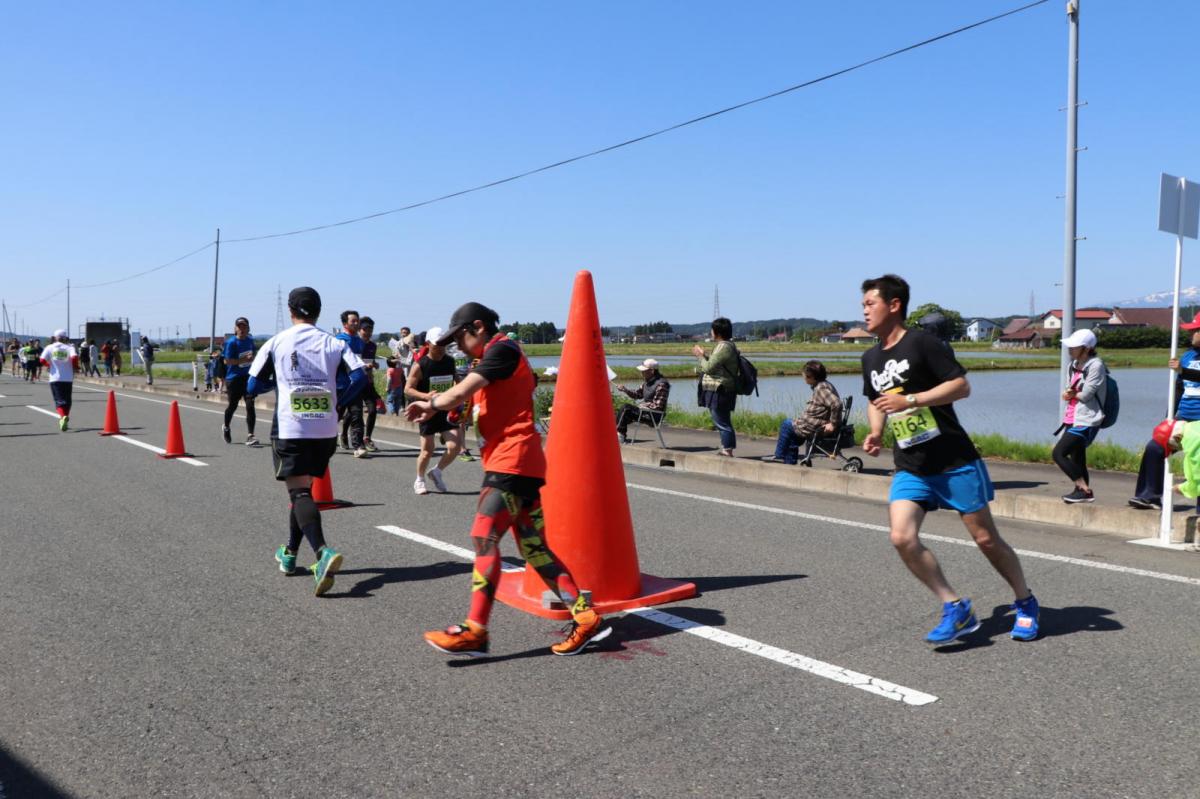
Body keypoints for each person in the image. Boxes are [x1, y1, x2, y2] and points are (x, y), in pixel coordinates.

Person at [407, 302, 611, 656]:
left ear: (478, 327)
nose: (457, 346)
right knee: (534, 549)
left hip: (512, 462)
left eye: (460, 338)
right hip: (517, 462)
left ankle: (475, 630)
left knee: (483, 537)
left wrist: (435, 403)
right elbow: (475, 401)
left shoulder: (502, 348)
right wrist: (456, 407)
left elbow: (457, 394)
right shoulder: (491, 357)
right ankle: (586, 618)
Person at [859, 274, 1039, 643]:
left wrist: (910, 400)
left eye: (870, 303)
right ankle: (955, 606)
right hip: (912, 465)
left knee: (987, 539)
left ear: (894, 305)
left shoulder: (923, 343)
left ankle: (1025, 601)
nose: (864, 311)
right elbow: (875, 401)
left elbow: (961, 386)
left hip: (953, 460)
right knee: (901, 537)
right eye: (863, 304)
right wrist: (876, 430)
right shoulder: (871, 357)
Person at [246, 287, 367, 597]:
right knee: (303, 493)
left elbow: (252, 384)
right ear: (318, 311)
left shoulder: (275, 343)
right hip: (325, 431)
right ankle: (289, 554)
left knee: (299, 492)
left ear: (290, 310)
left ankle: (322, 553)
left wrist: (280, 382)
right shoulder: (334, 342)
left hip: (291, 428)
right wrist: (339, 402)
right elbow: (360, 378)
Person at [1130, 314, 1200, 509]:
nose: (1191, 333)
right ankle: (1149, 495)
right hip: (1183, 418)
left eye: (1195, 330)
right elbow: (1179, 388)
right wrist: (1170, 417)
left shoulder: (1184, 364)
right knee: (1155, 447)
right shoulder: (1187, 356)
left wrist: (1183, 371)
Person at [405, 326, 462, 494]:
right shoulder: (420, 365)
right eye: (438, 345)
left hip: (445, 410)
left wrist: (458, 395)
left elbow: (457, 381)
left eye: (444, 344)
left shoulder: (450, 361)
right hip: (427, 411)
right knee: (427, 451)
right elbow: (408, 389)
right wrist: (426, 397)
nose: (441, 348)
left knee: (455, 447)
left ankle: (436, 472)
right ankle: (419, 479)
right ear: (428, 344)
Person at [1053, 329, 1106, 504]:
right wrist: (1070, 393)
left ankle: (1084, 489)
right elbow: (1073, 390)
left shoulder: (1096, 365)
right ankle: (1080, 492)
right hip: (1072, 417)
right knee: (1078, 458)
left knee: (1058, 454)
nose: (1070, 349)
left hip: (1087, 419)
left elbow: (1086, 395)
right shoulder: (1073, 365)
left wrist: (1072, 394)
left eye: (1074, 347)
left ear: (1087, 348)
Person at [762, 360, 843, 464]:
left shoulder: (821, 388)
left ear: (811, 376)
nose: (803, 377)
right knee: (792, 435)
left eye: (804, 375)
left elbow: (837, 404)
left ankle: (779, 455)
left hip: (814, 427)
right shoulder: (823, 384)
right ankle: (789, 463)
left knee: (786, 424)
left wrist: (833, 423)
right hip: (813, 424)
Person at [692, 317, 738, 456]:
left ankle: (727, 449)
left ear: (717, 332)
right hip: (719, 389)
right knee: (721, 419)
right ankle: (726, 448)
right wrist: (705, 356)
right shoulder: (724, 346)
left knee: (721, 420)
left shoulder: (724, 347)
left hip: (720, 389)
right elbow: (714, 365)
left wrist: (700, 356)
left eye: (712, 330)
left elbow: (709, 368)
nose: (711, 332)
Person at [335, 310, 367, 458]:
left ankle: (358, 445)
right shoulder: (339, 340)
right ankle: (322, 439)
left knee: (357, 415)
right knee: (335, 414)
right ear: (345, 323)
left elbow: (360, 362)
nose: (356, 323)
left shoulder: (360, 341)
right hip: (341, 385)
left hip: (356, 385)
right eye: (353, 321)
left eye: (357, 320)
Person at [615, 358, 671, 443]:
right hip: (645, 412)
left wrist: (642, 406)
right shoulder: (646, 383)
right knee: (618, 413)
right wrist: (625, 390)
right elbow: (637, 394)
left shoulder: (662, 384)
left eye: (644, 370)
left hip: (654, 416)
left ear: (652, 371)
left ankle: (620, 437)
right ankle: (617, 434)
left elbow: (658, 406)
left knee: (626, 408)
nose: (641, 372)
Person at [222, 317, 259, 446]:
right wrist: (244, 360)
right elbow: (227, 361)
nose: (242, 329)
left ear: (248, 329)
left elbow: (254, 355)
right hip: (233, 378)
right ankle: (226, 426)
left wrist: (254, 360)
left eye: (244, 327)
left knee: (250, 405)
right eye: (239, 327)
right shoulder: (231, 342)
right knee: (233, 406)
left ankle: (251, 435)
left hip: (248, 378)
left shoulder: (250, 340)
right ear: (235, 329)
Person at [38, 330, 78, 431]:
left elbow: (41, 360)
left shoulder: (49, 347)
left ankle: (62, 417)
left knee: (59, 400)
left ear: (55, 337)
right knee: (67, 400)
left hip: (55, 378)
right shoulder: (69, 347)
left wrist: (49, 365)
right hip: (68, 378)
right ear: (65, 338)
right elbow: (74, 357)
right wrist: (75, 367)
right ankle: (65, 418)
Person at [357, 316, 381, 452]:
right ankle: (343, 435)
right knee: (353, 413)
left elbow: (370, 362)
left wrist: (374, 364)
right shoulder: (355, 344)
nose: (368, 333)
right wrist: (365, 365)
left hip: (368, 382)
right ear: (360, 330)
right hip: (355, 382)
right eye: (365, 330)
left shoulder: (373, 345)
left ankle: (367, 438)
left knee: (372, 409)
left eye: (370, 330)